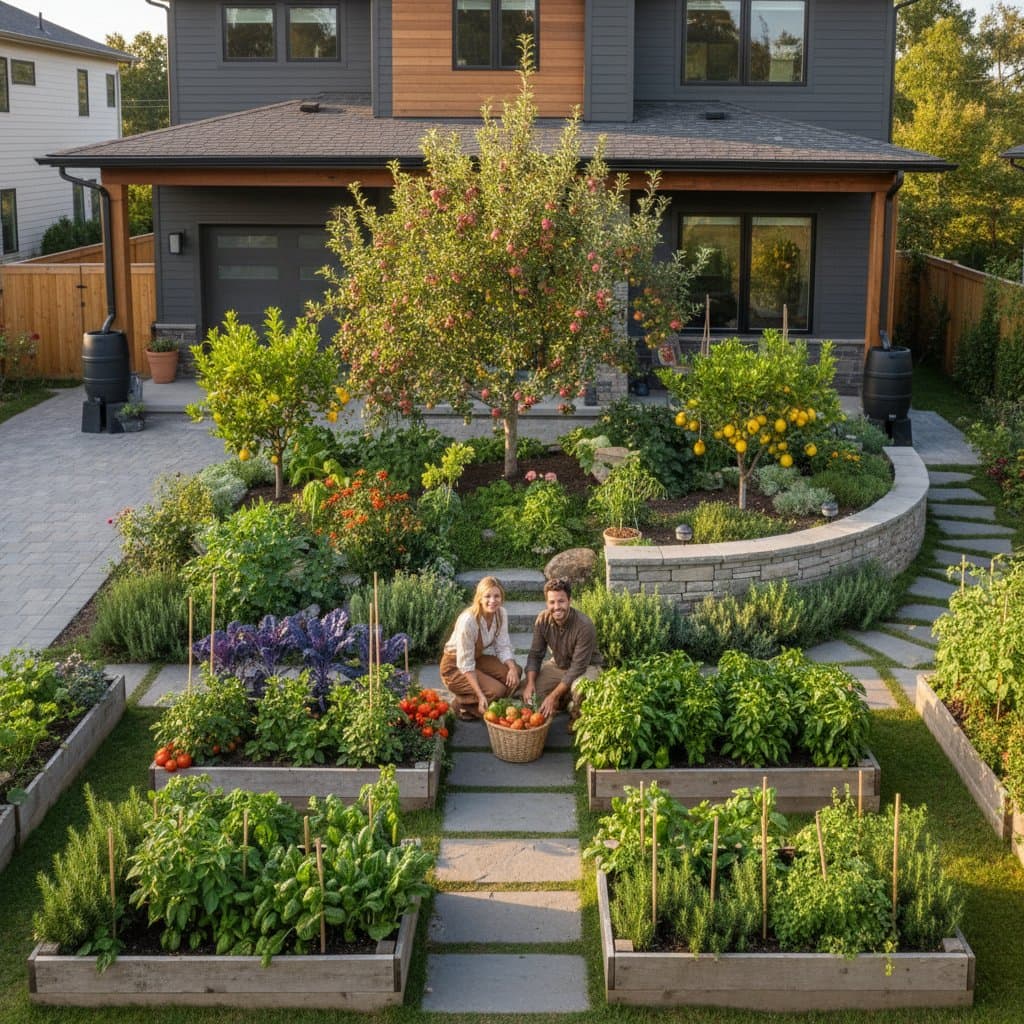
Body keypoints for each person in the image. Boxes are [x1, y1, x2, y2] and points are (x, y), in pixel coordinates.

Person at [440, 576, 522, 720]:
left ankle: (484, 701)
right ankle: (462, 702)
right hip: (455, 667)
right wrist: (479, 693)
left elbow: (502, 646)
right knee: (497, 691)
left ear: (502, 597)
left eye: (497, 596)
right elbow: (465, 663)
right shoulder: (468, 621)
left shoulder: (501, 614)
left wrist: (512, 668)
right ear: (479, 598)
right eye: (487, 596)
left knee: (515, 673)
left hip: (476, 659)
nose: (492, 600)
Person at [522, 578, 602, 720]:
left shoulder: (584, 625)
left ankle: (570, 705)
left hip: (587, 667)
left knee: (580, 690)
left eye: (561, 601)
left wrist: (553, 696)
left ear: (569, 601)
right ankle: (563, 699)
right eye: (552, 602)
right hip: (559, 665)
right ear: (547, 603)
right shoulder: (542, 619)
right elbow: (535, 654)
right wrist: (530, 683)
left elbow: (577, 667)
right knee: (530, 696)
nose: (557, 607)